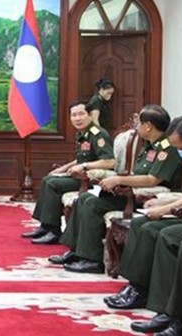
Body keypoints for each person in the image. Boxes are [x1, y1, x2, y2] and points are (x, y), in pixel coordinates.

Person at [51, 104, 182, 274]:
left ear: (148, 126)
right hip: (127, 190)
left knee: (92, 205)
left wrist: (119, 180)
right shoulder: (150, 145)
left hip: (142, 198)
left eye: (139, 123)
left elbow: (152, 180)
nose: (136, 127)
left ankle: (92, 260)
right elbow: (135, 173)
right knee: (84, 199)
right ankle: (77, 251)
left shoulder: (166, 148)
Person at [101, 117, 182, 335]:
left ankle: (170, 312)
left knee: (170, 237)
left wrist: (164, 209)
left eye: (181, 148)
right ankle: (139, 288)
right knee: (144, 225)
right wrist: (165, 203)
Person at [22, 100, 115, 244]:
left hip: (92, 180)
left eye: (81, 114)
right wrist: (64, 167)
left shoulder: (98, 134)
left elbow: (109, 161)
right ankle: (45, 226)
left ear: (90, 115)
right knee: (48, 178)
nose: (77, 118)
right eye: (74, 115)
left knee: (53, 184)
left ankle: (53, 231)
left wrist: (84, 166)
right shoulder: (82, 133)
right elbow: (80, 158)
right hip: (80, 175)